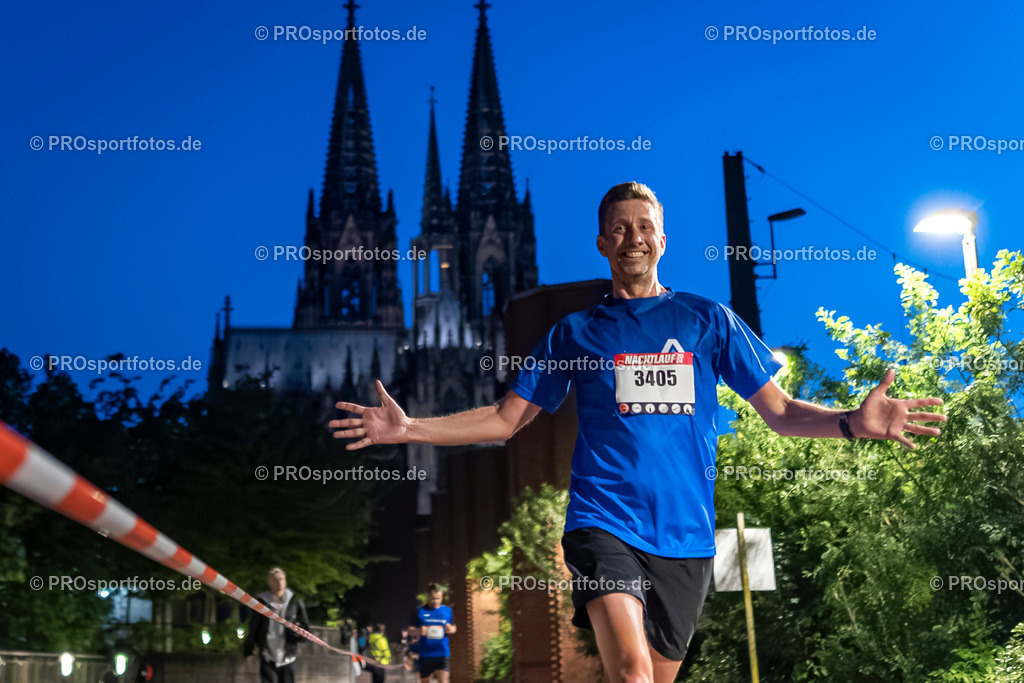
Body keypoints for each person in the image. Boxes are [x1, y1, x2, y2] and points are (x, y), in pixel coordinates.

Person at [329, 182, 947, 683]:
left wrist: (850, 423)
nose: (634, 238)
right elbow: (504, 419)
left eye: (644, 227)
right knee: (631, 672)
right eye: (620, 229)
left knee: (646, 676)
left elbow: (780, 413)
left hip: (686, 540)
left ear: (662, 240)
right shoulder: (574, 334)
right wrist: (410, 427)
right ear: (603, 243)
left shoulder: (707, 320)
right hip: (603, 524)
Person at [243, 567, 311, 683]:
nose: (279, 582)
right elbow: (253, 627)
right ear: (270, 581)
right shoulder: (262, 602)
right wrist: (249, 652)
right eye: (276, 579)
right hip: (267, 656)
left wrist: (299, 634)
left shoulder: (294, 601)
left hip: (288, 656)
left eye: (281, 579)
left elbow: (305, 627)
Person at [408, 584, 455, 682]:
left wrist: (451, 629)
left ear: (442, 597)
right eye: (433, 598)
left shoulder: (447, 611)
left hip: (442, 653)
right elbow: (410, 631)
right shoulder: (419, 611)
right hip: (425, 654)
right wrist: (419, 631)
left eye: (438, 598)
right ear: (427, 596)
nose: (435, 601)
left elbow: (454, 627)